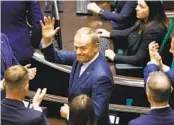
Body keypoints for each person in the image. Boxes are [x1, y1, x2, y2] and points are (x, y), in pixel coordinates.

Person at [40, 17, 113, 125]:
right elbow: (55, 57)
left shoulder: (101, 77)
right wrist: (47, 40)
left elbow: (96, 116)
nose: (78, 52)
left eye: (83, 48)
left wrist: (70, 114)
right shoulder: (82, 57)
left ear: (96, 47)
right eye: (75, 47)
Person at [96, 0, 168, 66]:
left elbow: (139, 59)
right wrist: (109, 34)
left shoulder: (154, 31)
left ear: (152, 10)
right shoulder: (145, 20)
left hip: (135, 67)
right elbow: (128, 32)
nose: (136, 8)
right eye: (137, 5)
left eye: (141, 7)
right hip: (128, 54)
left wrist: (114, 57)